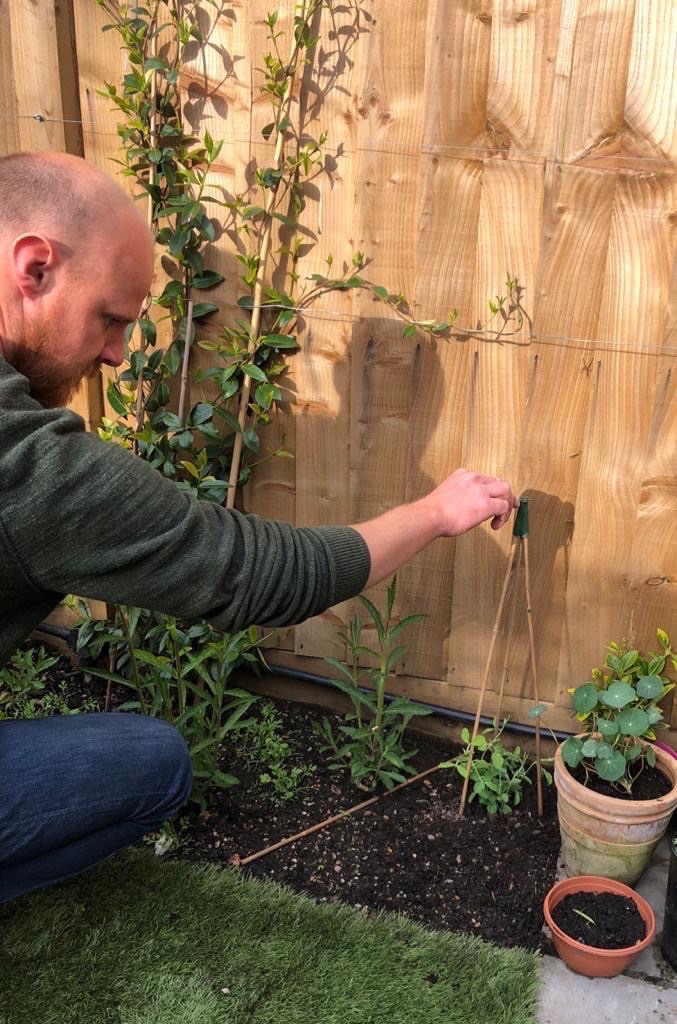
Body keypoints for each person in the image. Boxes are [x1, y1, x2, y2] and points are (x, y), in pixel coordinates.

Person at [0, 152, 518, 904]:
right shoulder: (27, 468)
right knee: (152, 764)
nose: (115, 353)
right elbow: (254, 574)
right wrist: (434, 512)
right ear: (35, 267)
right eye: (110, 318)